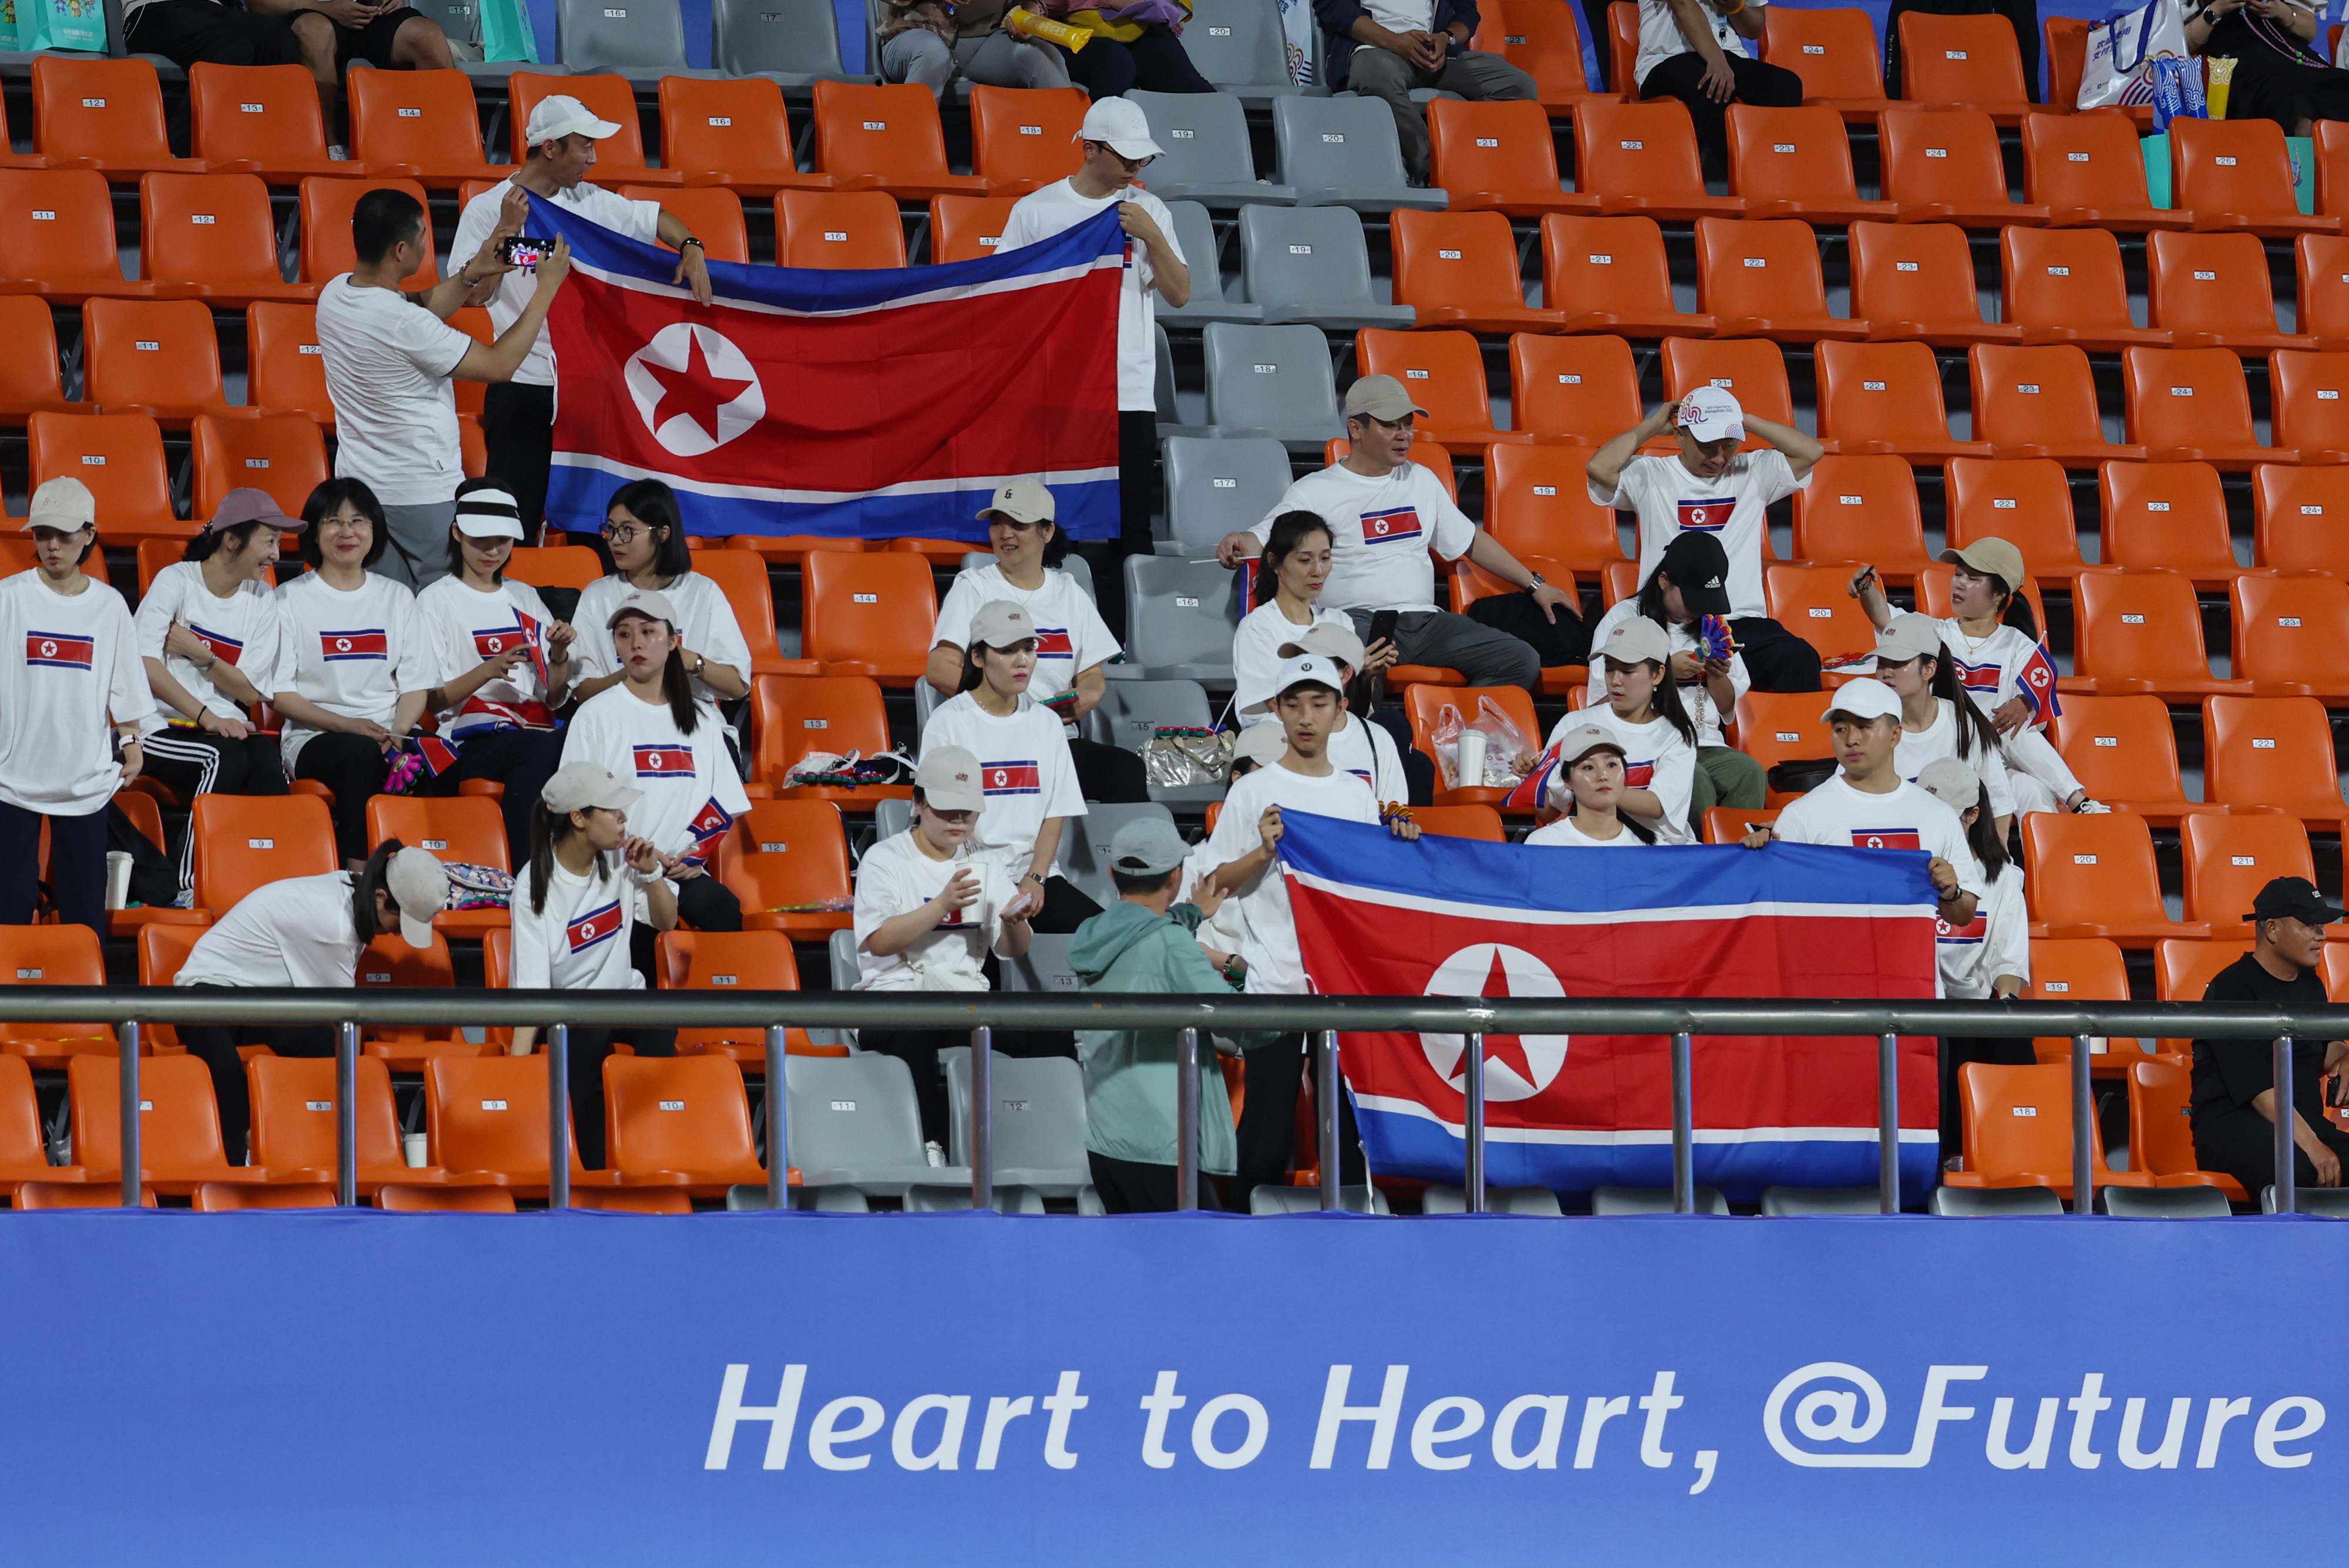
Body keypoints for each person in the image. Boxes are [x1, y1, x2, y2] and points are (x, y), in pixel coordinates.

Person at [1202, 652, 1422, 1208]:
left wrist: (1399, 842)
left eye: (1318, 704)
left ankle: (1348, 1234)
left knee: (1346, 1124)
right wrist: (1264, 850)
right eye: (1294, 704)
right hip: (1275, 979)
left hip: (1338, 983)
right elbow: (1214, 884)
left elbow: (1366, 890)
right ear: (1275, 711)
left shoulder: (1354, 794)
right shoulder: (1251, 790)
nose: (1305, 716)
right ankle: (1240, 1229)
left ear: (1340, 710)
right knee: (1267, 1124)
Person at [449, 97, 718, 540]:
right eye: (585, 146)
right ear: (550, 148)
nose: (593, 158)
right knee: (510, 527)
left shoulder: (591, 201)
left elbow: (655, 219)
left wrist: (691, 245)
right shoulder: (489, 209)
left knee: (595, 531)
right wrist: (505, 232)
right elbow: (474, 296)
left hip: (590, 391)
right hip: (523, 385)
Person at [1218, 376, 1579, 691]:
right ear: (1356, 429)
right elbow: (1267, 536)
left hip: (1428, 622)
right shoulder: (1317, 490)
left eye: (1408, 425)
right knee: (1342, 668)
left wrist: (1536, 585)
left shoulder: (1421, 479)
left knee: (1520, 659)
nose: (1404, 435)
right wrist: (1238, 541)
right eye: (1391, 426)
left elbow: (1471, 541)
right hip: (1356, 620)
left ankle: (1457, 739)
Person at [316, 186, 571, 589]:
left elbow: (413, 304)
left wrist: (473, 272)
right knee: (448, 609)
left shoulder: (336, 294)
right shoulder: (406, 327)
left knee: (393, 609)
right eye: (421, 236)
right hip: (422, 495)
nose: (425, 243)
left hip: (363, 491)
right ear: (401, 251)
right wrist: (546, 289)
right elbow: (500, 364)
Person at [998, 97, 1191, 601]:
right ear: (1089, 150)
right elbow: (1003, 305)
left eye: (1142, 157)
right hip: (1057, 394)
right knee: (1056, 531)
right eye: (1125, 155)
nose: (1135, 166)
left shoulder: (1150, 212)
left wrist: (1153, 238)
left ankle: (1129, 642)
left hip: (1127, 394)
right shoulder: (1035, 212)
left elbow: (1180, 293)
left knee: (1132, 533)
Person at [173, 841, 449, 1160]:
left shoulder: (354, 889)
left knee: (318, 1042)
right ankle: (243, 1162)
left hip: (260, 1002)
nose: (400, 934)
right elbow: (346, 1019)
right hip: (202, 996)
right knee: (228, 1078)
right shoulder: (333, 926)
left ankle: (307, 1138)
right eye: (401, 922)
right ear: (381, 897)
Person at [1739, 677, 1983, 982]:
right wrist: (1754, 859)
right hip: (1831, 990)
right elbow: (1774, 912)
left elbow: (1963, 914)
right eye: (1840, 728)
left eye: (1865, 726)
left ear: (1895, 735)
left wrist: (1951, 892)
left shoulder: (1937, 814)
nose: (1851, 739)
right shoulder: (1803, 815)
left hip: (1911, 989)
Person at [1589, 386, 1825, 694]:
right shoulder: (1652, 474)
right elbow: (1598, 467)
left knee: (1799, 656)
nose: (1718, 458)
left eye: (1729, 445)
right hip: (1672, 621)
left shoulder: (1752, 470)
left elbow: (1812, 452)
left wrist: (1743, 420)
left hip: (1738, 620)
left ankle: (1794, 742)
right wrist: (1650, 427)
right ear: (1680, 436)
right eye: (1706, 446)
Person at [853, 746, 1035, 1143]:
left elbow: (1014, 949)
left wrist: (1014, 921)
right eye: (945, 810)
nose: (958, 821)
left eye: (966, 812)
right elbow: (880, 942)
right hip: (895, 996)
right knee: (914, 1032)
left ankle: (1032, 1140)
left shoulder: (984, 860)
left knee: (1046, 1031)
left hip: (963, 998)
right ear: (918, 803)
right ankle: (929, 1145)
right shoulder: (884, 859)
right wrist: (942, 905)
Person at [1850, 536, 2106, 816]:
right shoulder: (1935, 631)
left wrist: (2024, 702)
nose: (1958, 583)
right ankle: (2078, 801)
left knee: (2031, 786)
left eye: (1972, 579)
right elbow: (1886, 618)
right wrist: (1866, 587)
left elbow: (2043, 680)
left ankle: (2048, 844)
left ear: (1998, 595)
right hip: (1951, 751)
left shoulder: (2017, 644)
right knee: (1996, 728)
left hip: (1997, 757)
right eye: (1958, 575)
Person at [928, 478, 1145, 805]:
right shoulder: (973, 587)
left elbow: (1092, 677)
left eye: (1018, 524)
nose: (1005, 534)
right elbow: (940, 668)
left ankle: (1120, 858)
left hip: (1054, 738)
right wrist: (1001, 710)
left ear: (1047, 532)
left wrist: (1079, 700)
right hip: (990, 737)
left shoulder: (1069, 593)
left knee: (1125, 771)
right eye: (997, 523)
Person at [506, 762, 680, 1170]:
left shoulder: (621, 860)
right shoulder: (534, 887)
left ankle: (650, 1151)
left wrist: (652, 873)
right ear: (579, 818)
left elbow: (667, 922)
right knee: (588, 1034)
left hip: (624, 999)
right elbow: (530, 993)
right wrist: (515, 1075)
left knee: (663, 1020)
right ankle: (595, 1170)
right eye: (611, 810)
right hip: (570, 1011)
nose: (623, 818)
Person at [0, 479, 152, 937]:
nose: (52, 545)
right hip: (11, 777)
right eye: (43, 533)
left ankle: (92, 1007)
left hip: (84, 779)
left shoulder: (109, 607)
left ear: (89, 534)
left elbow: (123, 685)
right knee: (9, 909)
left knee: (85, 913)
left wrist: (130, 741)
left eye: (64, 535)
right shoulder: (8, 597)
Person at [1070, 815, 1240, 1212]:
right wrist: (1236, 968)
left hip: (1106, 1144)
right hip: (1164, 1148)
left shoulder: (1092, 931)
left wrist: (1192, 915)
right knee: (1202, 1266)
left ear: (1113, 875)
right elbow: (1244, 1022)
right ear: (1175, 879)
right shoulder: (1172, 945)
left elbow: (1139, 929)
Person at [136, 489, 295, 906]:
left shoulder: (262, 600)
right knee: (221, 757)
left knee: (264, 761)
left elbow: (249, 690)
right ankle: (190, 888)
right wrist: (206, 715)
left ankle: (278, 887)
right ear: (231, 539)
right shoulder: (177, 579)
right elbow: (144, 665)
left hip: (221, 724)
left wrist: (199, 653)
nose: (277, 555)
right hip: (155, 724)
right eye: (269, 541)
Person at [270, 479, 438, 869]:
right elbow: (280, 695)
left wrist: (397, 735)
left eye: (358, 521)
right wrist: (349, 725)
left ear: (374, 530)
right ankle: (360, 877)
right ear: (314, 532)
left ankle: (429, 873)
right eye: (333, 521)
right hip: (316, 735)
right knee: (360, 756)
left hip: (388, 731)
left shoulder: (397, 597)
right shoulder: (288, 599)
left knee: (437, 758)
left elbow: (415, 687)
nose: (347, 532)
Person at [560, 590, 748, 934]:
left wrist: (694, 854)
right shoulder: (594, 715)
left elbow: (724, 801)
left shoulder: (702, 718)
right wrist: (637, 849)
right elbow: (574, 802)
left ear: (673, 641)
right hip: (613, 870)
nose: (636, 644)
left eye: (648, 632)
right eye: (624, 634)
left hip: (680, 869)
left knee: (723, 910)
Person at [415, 482, 574, 865]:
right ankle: (528, 871)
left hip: (534, 726)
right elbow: (432, 700)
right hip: (468, 738)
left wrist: (558, 655)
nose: (492, 551)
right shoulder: (435, 601)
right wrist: (488, 670)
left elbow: (553, 697)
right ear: (456, 533)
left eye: (502, 541)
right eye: (480, 540)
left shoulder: (524, 596)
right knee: (540, 749)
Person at [919, 601, 1095, 933]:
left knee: (1104, 938)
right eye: (1007, 650)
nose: (1022, 661)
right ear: (978, 658)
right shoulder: (948, 722)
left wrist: (1036, 877)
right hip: (969, 876)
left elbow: (1055, 812)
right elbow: (942, 816)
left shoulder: (1047, 723)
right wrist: (996, 882)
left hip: (1036, 877)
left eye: (1029, 649)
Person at [1582, 530, 1765, 817]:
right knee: (1696, 780)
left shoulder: (1712, 622)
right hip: (1646, 743)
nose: (1700, 609)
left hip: (1704, 743)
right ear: (1664, 581)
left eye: (1708, 598)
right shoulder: (1624, 619)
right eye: (1692, 598)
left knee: (1749, 773)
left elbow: (1729, 708)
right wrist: (1666, 674)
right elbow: (1602, 706)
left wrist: (1717, 676)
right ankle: (1696, 858)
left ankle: (1738, 860)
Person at [2190, 876, 2349, 1196]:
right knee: (2300, 1169)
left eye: (2323, 925)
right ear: (2273, 930)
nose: (2322, 935)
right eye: (2310, 925)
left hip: (2302, 1123)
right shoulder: (2233, 989)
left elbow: (2321, 1046)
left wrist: (2344, 1055)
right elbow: (2259, 1089)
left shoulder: (2310, 984)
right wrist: (2313, 1145)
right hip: (2234, 1125)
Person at [123, 0, 451, 154]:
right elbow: (262, 4)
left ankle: (446, 142)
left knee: (428, 36)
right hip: (312, 13)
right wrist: (327, 7)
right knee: (305, 33)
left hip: (371, 14)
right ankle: (327, 149)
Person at [568, 480, 752, 751]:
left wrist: (691, 662)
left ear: (663, 533)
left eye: (628, 530)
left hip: (692, 724)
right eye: (611, 529)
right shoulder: (598, 595)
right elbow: (582, 692)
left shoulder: (702, 592)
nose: (616, 540)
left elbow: (737, 687)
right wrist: (630, 675)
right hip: (620, 726)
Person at [1914, 756, 2029, 1165]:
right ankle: (1943, 1159)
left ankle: (2016, 1155)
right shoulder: (1908, 871)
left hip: (1975, 1009)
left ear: (1972, 815)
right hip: (1921, 1006)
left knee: (2008, 1033)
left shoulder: (2001, 878)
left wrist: (2005, 1010)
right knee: (1945, 1035)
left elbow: (2009, 963)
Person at [1315, 0, 1537, 185]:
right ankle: (1436, 171)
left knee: (1518, 85)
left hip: (1434, 51)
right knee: (1380, 79)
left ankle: (1473, 160)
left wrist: (1446, 38)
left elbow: (1467, 12)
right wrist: (1397, 43)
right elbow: (1333, 7)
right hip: (1375, 48)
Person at [1520, 618, 1699, 840]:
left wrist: (1593, 788)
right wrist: (1532, 781)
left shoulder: (1676, 734)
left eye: (1628, 671)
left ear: (1658, 674)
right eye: (1609, 669)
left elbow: (1657, 805)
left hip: (1656, 852)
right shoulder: (1573, 724)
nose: (1615, 681)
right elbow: (1548, 813)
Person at [1862, 613, 2017, 839]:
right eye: (1881, 664)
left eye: (1898, 663)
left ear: (1928, 669)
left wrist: (1992, 868)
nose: (1886, 673)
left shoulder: (1963, 723)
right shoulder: (1869, 732)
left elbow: (1999, 804)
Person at [1633, 0, 1802, 177]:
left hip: (1729, 58)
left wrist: (1734, 6)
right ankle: (1749, 180)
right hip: (1666, 58)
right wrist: (1717, 61)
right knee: (1714, 87)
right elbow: (1682, 4)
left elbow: (1754, 29)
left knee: (1785, 85)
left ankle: (1782, 174)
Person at [1270, 621, 1411, 805]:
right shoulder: (1269, 731)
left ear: (1345, 674)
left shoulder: (1378, 739)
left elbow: (1392, 816)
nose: (1305, 668)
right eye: (1299, 660)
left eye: (1318, 662)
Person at [2189, 0, 2343, 133]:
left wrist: (2283, 12)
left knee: (2340, 85)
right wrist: (2217, 10)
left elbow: (2309, 32)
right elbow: (2183, 43)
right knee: (2293, 101)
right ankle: (2309, 160)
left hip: (2294, 57)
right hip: (2244, 68)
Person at [877, 0, 1072, 99]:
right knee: (933, 54)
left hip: (986, 47)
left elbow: (1030, 2)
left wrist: (1029, 10)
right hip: (915, 37)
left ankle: (1067, 164)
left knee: (1045, 58)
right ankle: (907, 162)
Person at [1039, 0, 1216, 97]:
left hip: (1140, 26)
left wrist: (1155, 7)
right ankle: (1095, 152)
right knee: (1115, 61)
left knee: (1198, 95)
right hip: (1072, 38)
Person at [1525, 723, 1652, 849]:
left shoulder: (1652, 848)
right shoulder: (1543, 843)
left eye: (1611, 765)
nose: (1603, 776)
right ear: (1567, 781)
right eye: (1588, 767)